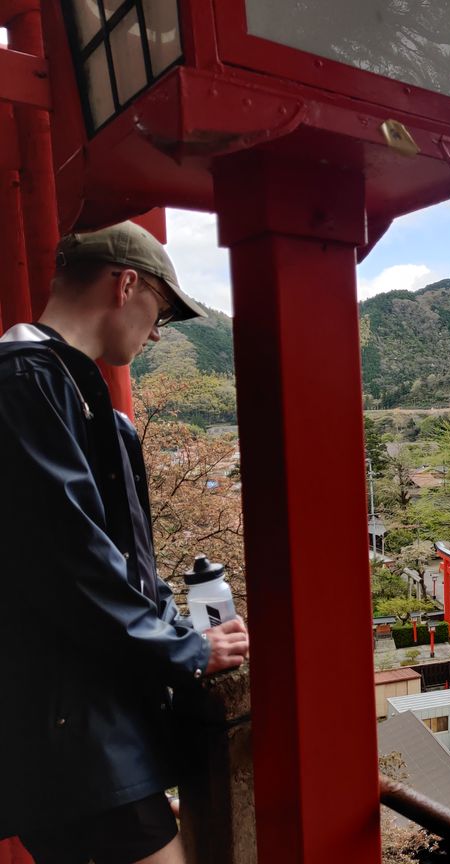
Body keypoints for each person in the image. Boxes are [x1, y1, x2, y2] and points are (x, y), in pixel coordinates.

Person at [0, 222, 250, 864]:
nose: (159, 331)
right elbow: (68, 559)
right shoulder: (25, 381)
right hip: (71, 726)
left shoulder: (71, 392)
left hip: (79, 717)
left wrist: (177, 629)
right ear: (126, 283)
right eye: (161, 310)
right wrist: (186, 648)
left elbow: (122, 560)